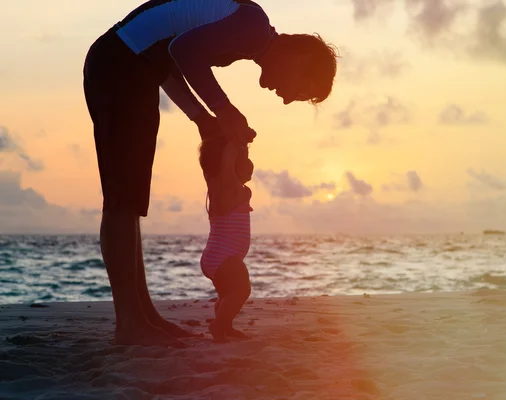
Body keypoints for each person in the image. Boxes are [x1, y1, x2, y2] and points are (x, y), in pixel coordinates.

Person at [83, 0, 338, 347]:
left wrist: (203, 119)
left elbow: (169, 61)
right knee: (121, 201)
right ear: (301, 59)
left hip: (137, 70)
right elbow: (183, 51)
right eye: (301, 90)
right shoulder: (252, 23)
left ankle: (143, 315)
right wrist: (223, 109)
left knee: (132, 201)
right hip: (120, 65)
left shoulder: (246, 35)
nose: (287, 99)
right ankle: (130, 324)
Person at [198, 132, 254, 342]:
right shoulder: (232, 187)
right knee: (242, 291)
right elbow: (229, 161)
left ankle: (225, 325)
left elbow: (225, 163)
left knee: (227, 295)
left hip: (214, 257)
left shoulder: (214, 188)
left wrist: (241, 148)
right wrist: (238, 139)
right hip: (225, 257)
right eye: (246, 161)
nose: (250, 165)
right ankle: (218, 325)